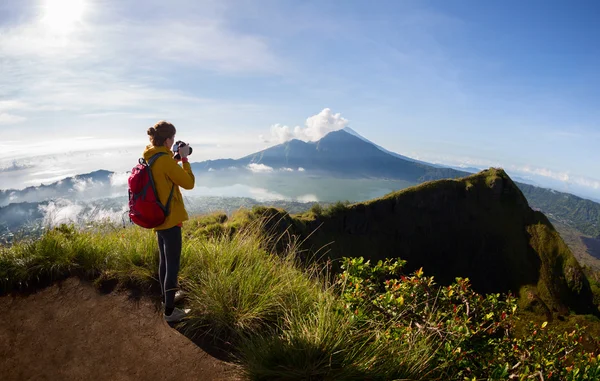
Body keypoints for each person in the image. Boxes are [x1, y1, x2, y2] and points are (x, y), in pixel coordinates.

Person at [144, 120, 195, 323]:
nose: (174, 141)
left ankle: (167, 297)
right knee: (172, 264)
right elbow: (189, 183)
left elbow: (163, 173)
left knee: (165, 262)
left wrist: (173, 158)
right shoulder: (164, 160)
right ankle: (170, 312)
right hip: (170, 218)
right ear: (167, 139)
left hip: (159, 217)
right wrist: (184, 160)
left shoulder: (152, 155)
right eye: (172, 138)